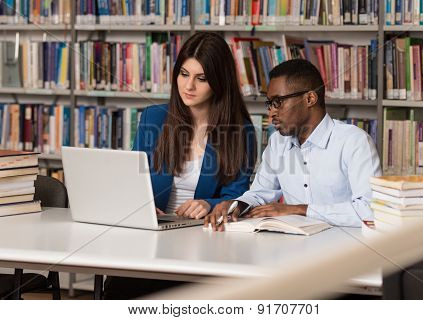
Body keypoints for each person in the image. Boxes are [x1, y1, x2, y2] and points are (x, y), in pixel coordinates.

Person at [104, 32, 256, 299]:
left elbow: (239, 197)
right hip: (153, 235)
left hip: (206, 240)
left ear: (219, 82)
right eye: (184, 74)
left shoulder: (241, 130)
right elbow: (130, 180)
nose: (189, 86)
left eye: (201, 78)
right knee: (121, 289)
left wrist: (209, 203)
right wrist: (141, 205)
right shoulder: (155, 118)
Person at [205, 59, 382, 231]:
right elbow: (260, 193)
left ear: (310, 98)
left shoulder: (354, 141)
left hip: (348, 251)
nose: (271, 112)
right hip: (295, 246)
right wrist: (236, 205)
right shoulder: (277, 142)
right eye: (269, 104)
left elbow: (371, 210)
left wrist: (299, 210)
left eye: (278, 102)